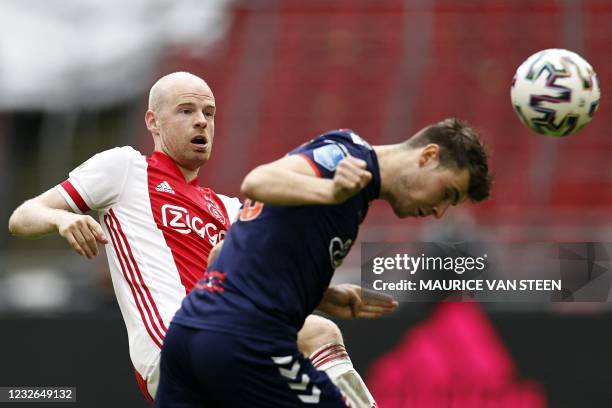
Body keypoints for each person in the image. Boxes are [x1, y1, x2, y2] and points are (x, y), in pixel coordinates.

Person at [8, 71, 395, 403]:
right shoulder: (124, 169)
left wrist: (327, 295)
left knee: (316, 334)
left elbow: (269, 279)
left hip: (223, 345)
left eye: (209, 113)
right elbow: (22, 216)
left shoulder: (229, 210)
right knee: (315, 332)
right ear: (153, 121)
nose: (201, 122)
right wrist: (61, 220)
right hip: (173, 349)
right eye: (186, 111)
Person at [155, 119, 493, 407]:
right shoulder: (345, 158)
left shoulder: (355, 187)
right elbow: (258, 182)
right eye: (447, 193)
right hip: (245, 342)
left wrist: (321, 294)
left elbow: (226, 254)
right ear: (428, 156)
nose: (439, 211)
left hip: (188, 336)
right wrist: (330, 192)